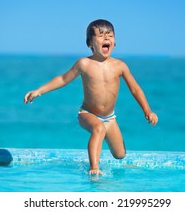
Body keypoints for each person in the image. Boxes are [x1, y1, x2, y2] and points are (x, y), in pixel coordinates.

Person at [24, 19, 158, 175]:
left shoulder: (120, 66)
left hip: (110, 118)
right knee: (98, 128)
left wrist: (147, 111)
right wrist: (39, 91)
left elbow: (135, 89)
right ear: (90, 43)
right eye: (101, 35)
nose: (106, 38)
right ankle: (94, 168)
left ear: (115, 43)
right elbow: (63, 79)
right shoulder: (84, 64)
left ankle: (105, 147)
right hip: (87, 114)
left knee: (120, 155)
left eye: (110, 35)